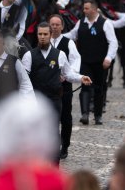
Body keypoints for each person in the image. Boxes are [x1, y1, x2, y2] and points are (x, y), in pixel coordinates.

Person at [20, 22, 91, 162]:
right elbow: (24, 80)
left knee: (53, 131)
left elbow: (68, 74)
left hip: (54, 99)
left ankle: (54, 163)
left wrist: (81, 78)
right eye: (40, 34)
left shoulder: (60, 55)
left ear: (50, 35)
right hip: (35, 101)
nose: (42, 37)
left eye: (45, 34)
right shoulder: (29, 56)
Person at [64, 0, 119, 125]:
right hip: (85, 62)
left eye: (86, 8)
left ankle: (98, 115)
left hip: (100, 63)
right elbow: (72, 35)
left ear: (94, 9)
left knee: (99, 88)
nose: (84, 11)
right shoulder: (81, 22)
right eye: (84, 8)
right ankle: (85, 114)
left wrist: (108, 58)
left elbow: (113, 42)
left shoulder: (105, 23)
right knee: (85, 86)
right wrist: (58, 36)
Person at [49, 14, 81, 159]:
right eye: (52, 24)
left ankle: (65, 145)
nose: (55, 27)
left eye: (57, 25)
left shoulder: (69, 43)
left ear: (62, 26)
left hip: (64, 86)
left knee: (65, 117)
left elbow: (75, 60)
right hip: (48, 86)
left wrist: (68, 74)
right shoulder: (44, 42)